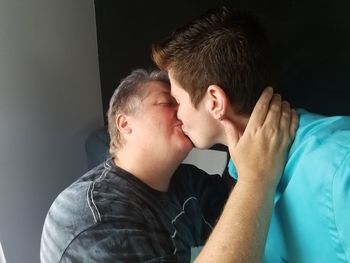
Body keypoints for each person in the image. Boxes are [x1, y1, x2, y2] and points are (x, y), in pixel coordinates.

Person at [152, 6, 350, 263]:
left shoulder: (338, 166)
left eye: (178, 100)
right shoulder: (242, 168)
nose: (177, 114)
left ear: (215, 101)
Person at [40, 69, 296, 262]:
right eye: (167, 103)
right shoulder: (88, 218)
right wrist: (255, 177)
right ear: (125, 124)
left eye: (182, 103)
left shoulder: (187, 180)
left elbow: (242, 217)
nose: (184, 113)